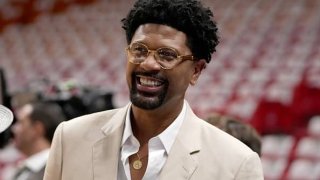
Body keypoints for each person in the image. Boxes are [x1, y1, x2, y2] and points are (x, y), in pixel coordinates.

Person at [44, 0, 264, 179]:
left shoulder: (236, 165)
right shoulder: (69, 138)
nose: (148, 64)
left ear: (196, 71)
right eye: (139, 50)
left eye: (167, 55)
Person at [12, 101, 66, 180]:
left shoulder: (57, 170)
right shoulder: (27, 169)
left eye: (20, 123)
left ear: (37, 129)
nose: (14, 129)